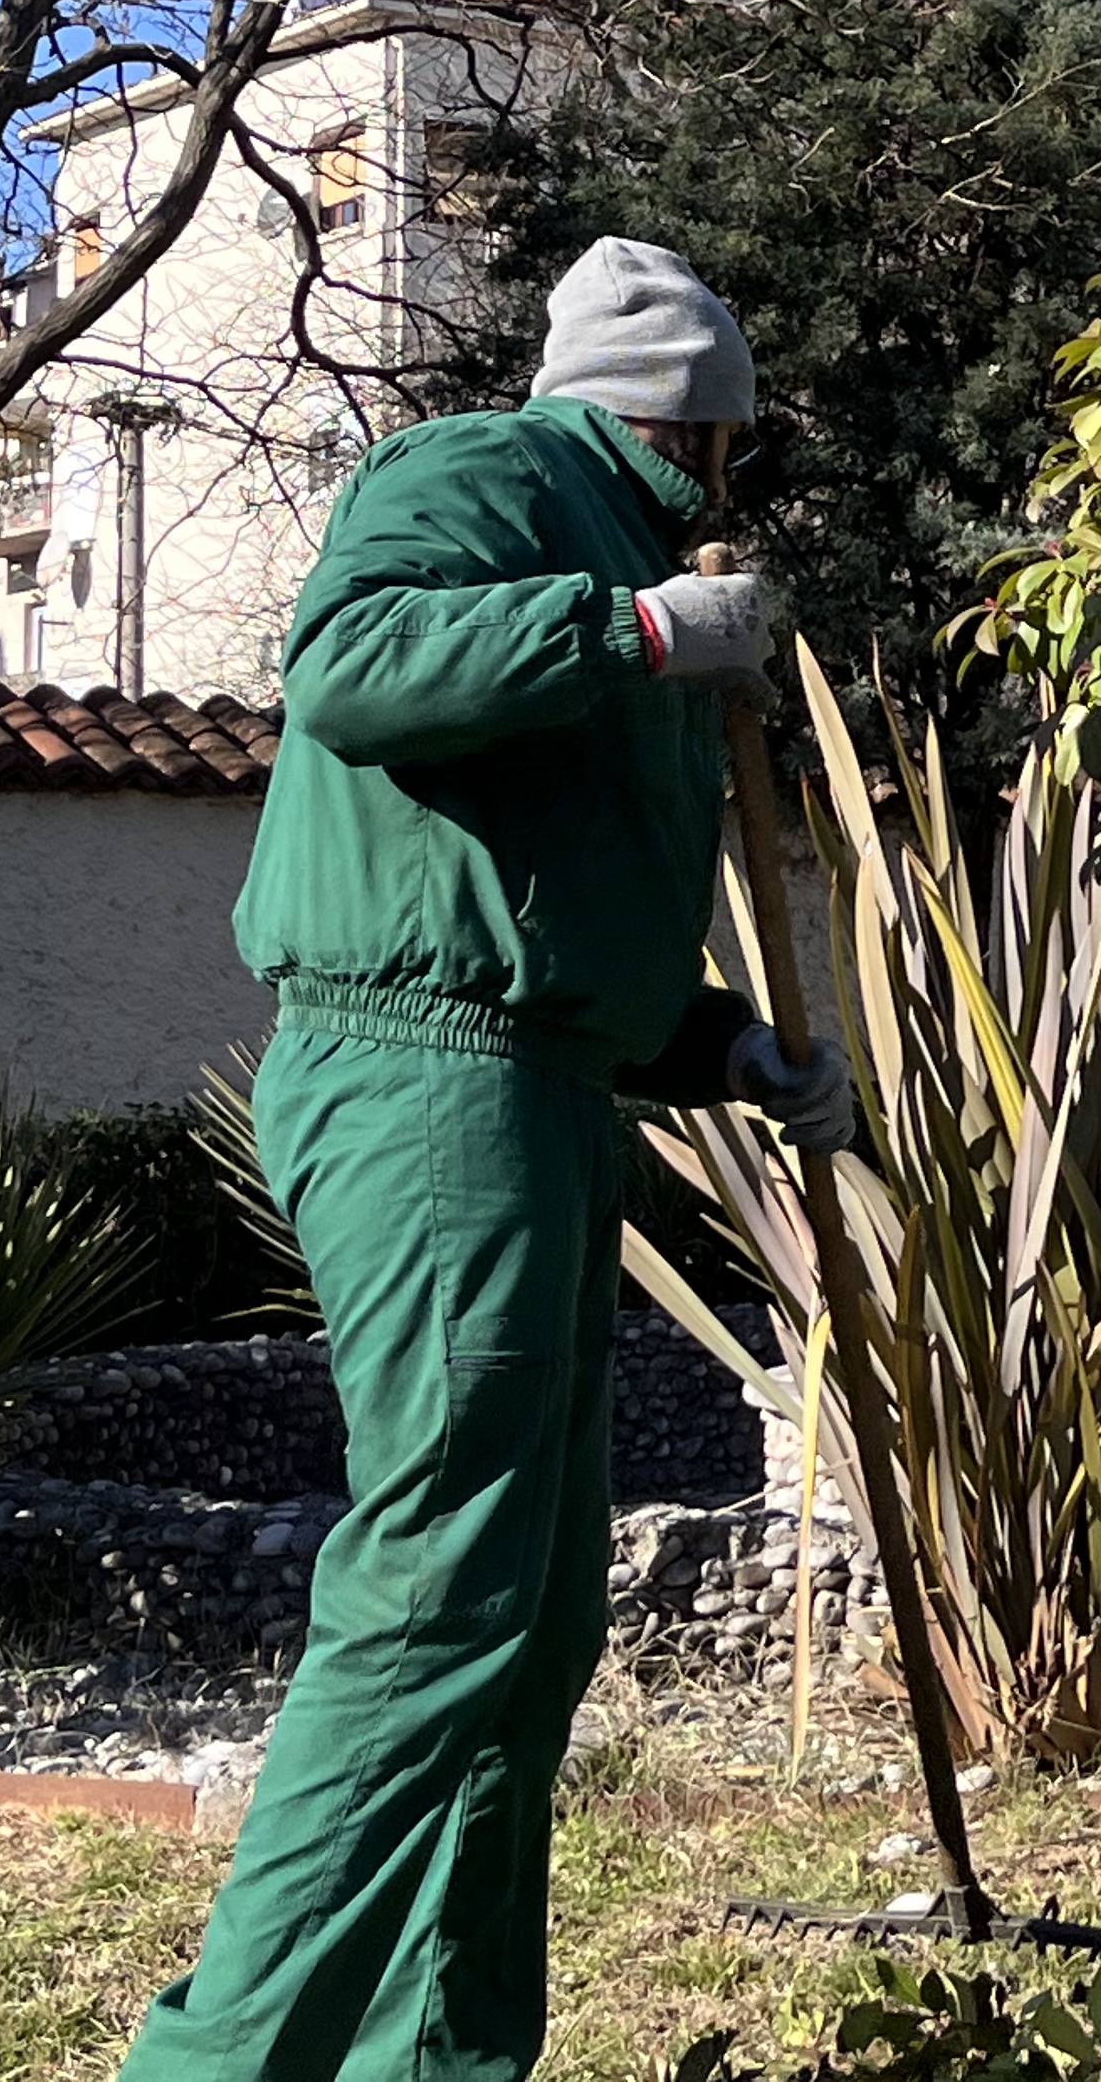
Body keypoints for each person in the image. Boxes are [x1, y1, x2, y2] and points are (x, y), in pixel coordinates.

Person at [121, 237, 857, 2082]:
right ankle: (220, 2068)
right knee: (443, 1587)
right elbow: (353, 671)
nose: (730, 482)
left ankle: (437, 2058)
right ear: (699, 423)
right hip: (425, 1091)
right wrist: (629, 636)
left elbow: (552, 908)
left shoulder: (637, 550)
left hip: (537, 1091)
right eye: (731, 443)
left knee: (530, 1622)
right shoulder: (481, 475)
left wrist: (728, 1045)